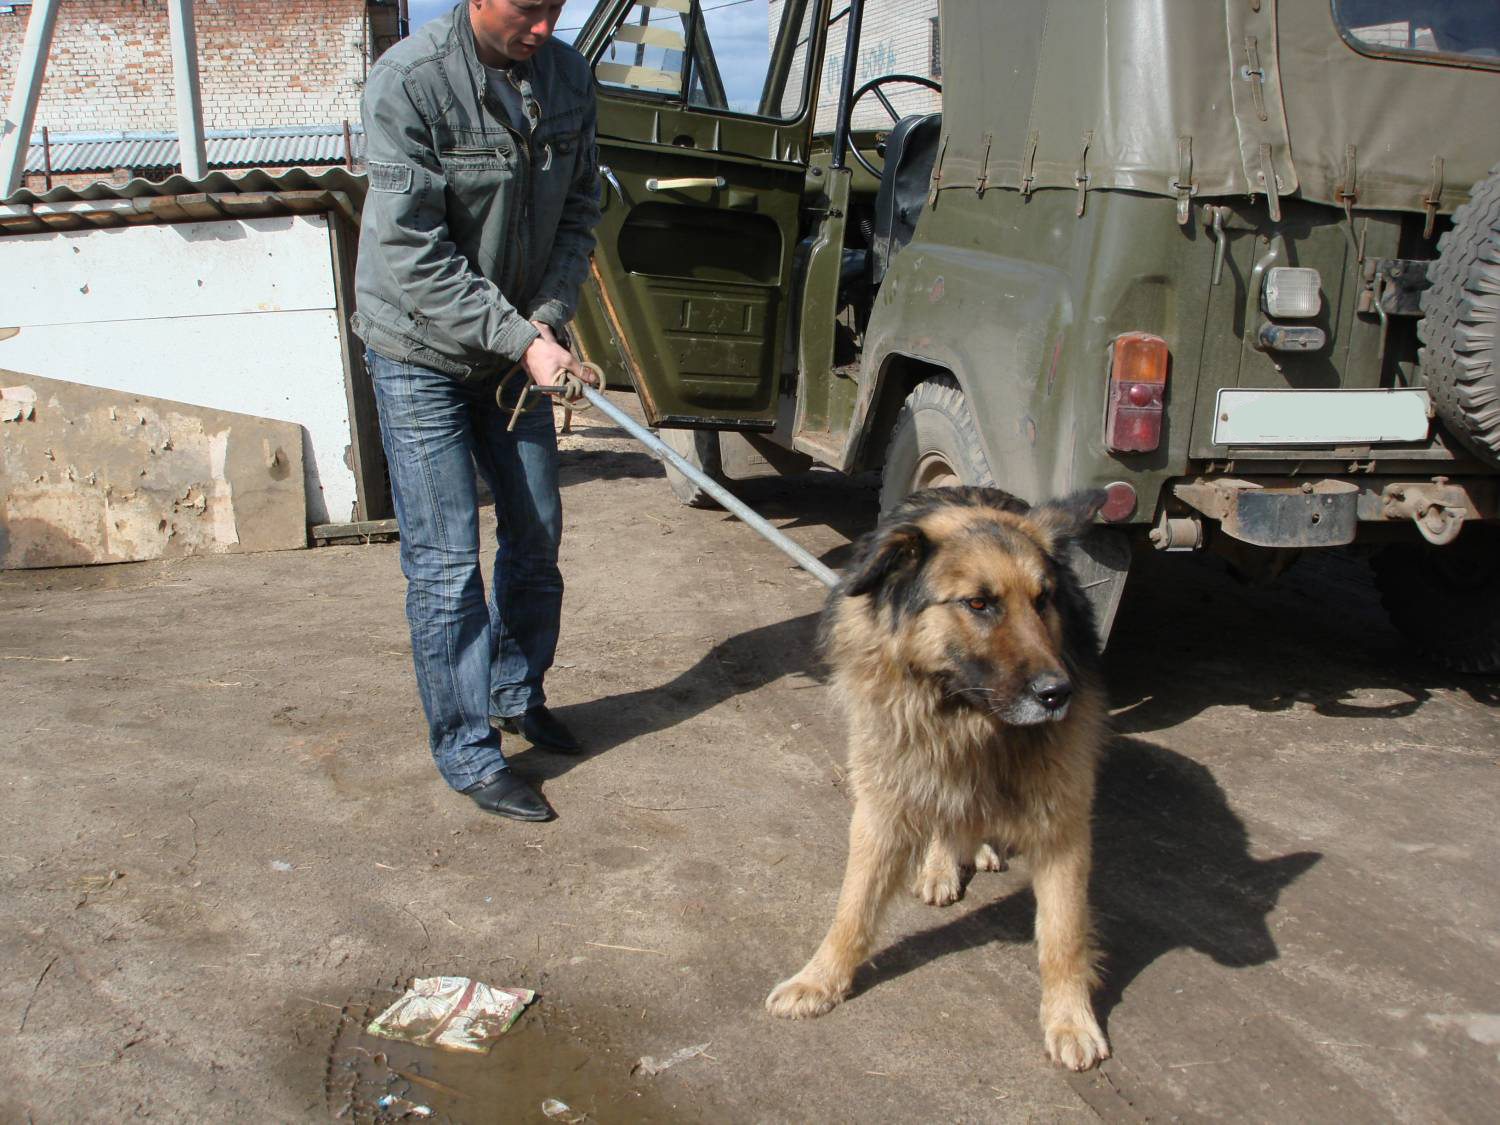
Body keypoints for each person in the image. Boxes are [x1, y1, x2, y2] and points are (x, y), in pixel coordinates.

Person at [352, 0, 601, 822]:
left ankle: (513, 691)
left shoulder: (567, 79)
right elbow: (413, 252)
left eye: (555, 6)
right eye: (527, 8)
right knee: (447, 558)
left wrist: (547, 318)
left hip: (515, 343)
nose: (543, 27)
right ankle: (467, 748)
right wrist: (520, 337)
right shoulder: (409, 83)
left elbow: (579, 212)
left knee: (536, 530)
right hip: (419, 347)